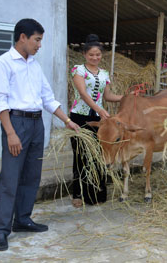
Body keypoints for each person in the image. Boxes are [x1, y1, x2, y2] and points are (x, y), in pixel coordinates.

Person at [0, 18, 79, 251]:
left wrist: (67, 121)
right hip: (15, 123)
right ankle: (0, 230)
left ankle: (22, 220)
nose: (39, 45)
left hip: (36, 123)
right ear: (23, 37)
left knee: (32, 175)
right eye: (37, 40)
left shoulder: (35, 66)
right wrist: (10, 133)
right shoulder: (4, 63)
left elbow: (48, 99)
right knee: (10, 178)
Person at [70, 34, 123, 208]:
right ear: (85, 54)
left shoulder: (104, 73)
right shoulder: (78, 70)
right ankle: (78, 193)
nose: (95, 58)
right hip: (80, 117)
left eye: (98, 55)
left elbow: (107, 96)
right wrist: (99, 109)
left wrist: (126, 97)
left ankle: (96, 194)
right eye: (91, 54)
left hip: (99, 120)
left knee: (98, 155)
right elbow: (84, 94)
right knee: (81, 155)